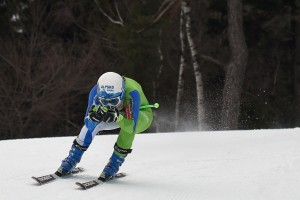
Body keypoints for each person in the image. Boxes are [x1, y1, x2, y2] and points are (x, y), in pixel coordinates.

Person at [55, 72, 153, 181]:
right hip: (118, 114)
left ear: (122, 92)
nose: (108, 104)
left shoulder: (132, 92)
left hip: (140, 115)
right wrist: (93, 117)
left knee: (127, 130)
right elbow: (88, 122)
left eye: (113, 101)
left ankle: (114, 164)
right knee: (92, 123)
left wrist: (119, 117)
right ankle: (72, 159)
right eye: (103, 101)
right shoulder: (95, 91)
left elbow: (132, 127)